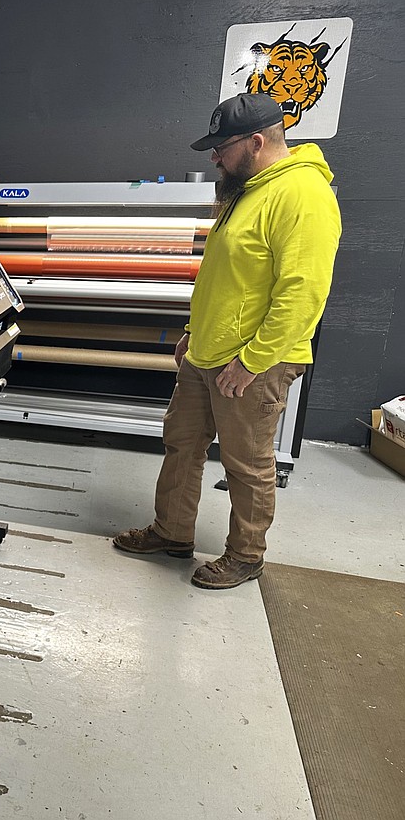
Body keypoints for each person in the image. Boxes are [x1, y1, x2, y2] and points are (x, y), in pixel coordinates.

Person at [112, 92, 341, 589]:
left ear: (257, 142)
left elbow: (302, 295)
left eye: (222, 147)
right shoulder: (249, 188)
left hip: (253, 362)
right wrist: (194, 332)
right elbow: (225, 275)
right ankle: (171, 532)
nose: (214, 157)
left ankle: (246, 554)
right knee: (182, 444)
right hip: (207, 352)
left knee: (247, 463)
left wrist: (253, 361)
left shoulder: (303, 194)